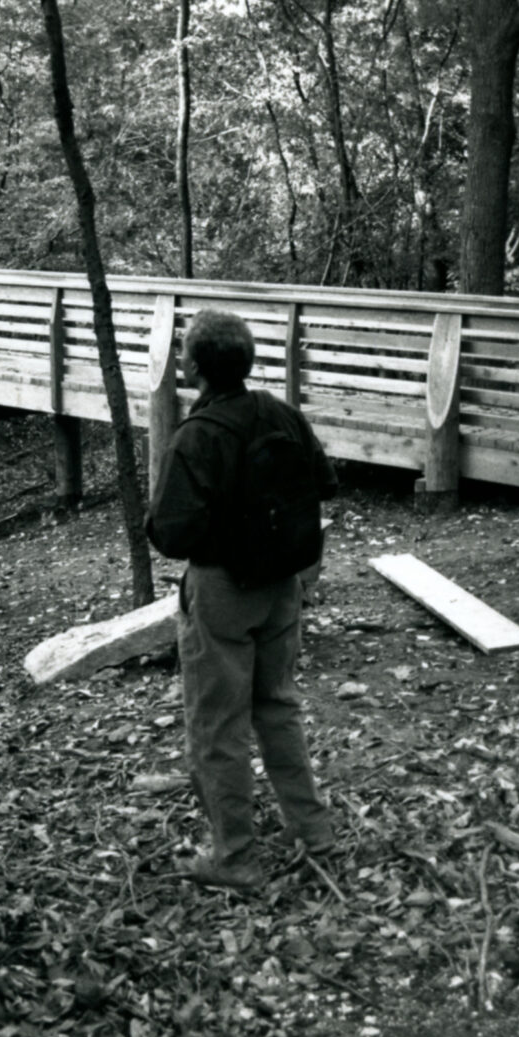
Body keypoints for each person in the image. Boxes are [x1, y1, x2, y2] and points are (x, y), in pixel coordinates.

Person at [146, 308, 339, 891]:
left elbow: (169, 533)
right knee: (278, 706)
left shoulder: (196, 437)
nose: (182, 358)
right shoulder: (281, 414)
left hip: (223, 591)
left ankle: (234, 858)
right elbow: (324, 482)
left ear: (196, 367)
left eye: (184, 352)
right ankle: (313, 832)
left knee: (217, 727)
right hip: (284, 586)